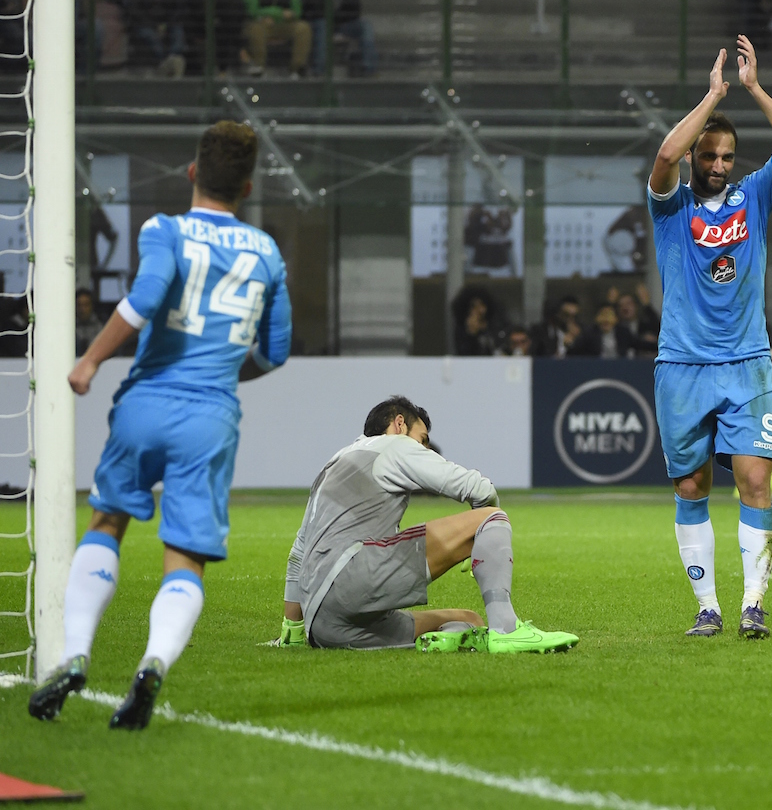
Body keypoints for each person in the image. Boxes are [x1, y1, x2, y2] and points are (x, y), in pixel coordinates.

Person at [29, 122, 292, 730]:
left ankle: (73, 656)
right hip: (211, 416)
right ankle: (151, 664)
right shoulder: (268, 252)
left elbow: (144, 299)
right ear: (247, 186)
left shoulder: (163, 229)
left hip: (145, 403)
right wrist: (221, 375)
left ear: (192, 173)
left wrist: (91, 359)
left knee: (107, 521)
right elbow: (274, 353)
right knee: (185, 556)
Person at [647, 36, 772, 639]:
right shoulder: (670, 207)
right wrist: (711, 97)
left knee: (757, 480)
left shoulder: (755, 196)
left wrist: (753, 91)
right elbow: (664, 156)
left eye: (727, 156)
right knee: (691, 485)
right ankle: (707, 607)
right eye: (708, 155)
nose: (718, 165)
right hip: (683, 365)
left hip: (746, 363)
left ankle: (753, 606)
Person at [274, 396, 578, 654]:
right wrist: (482, 534)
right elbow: (479, 489)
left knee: (469, 618)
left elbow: (298, 553)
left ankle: (449, 637)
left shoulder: (331, 465)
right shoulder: (393, 446)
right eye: (422, 440)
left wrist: (294, 630)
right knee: (491, 517)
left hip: (325, 624)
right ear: (399, 424)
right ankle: (508, 630)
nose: (424, 449)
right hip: (354, 579)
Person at [307, 0, 377, 77]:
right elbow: (317, 9)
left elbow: (355, 11)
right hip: (324, 23)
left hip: (343, 24)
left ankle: (369, 68)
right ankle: (320, 70)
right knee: (322, 25)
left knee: (365, 25)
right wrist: (337, 16)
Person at [242, 0, 311, 77]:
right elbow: (252, 10)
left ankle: (297, 69)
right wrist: (278, 13)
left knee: (303, 28)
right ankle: (259, 67)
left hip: (285, 25)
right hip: (262, 24)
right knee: (255, 29)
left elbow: (297, 11)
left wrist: (274, 15)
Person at [570, 304, 637, 358]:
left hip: (620, 368)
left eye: (609, 315)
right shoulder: (589, 333)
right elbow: (574, 351)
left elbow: (639, 344)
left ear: (616, 319)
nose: (606, 320)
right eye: (602, 315)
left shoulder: (623, 332)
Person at [451, 287, 497, 356]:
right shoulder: (462, 329)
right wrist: (471, 334)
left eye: (481, 305)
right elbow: (463, 353)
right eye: (474, 306)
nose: (478, 309)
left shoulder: (494, 325)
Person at [75, 288, 104, 357]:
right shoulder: (67, 328)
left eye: (86, 305)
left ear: (92, 306)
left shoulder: (101, 327)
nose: (82, 309)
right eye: (79, 305)